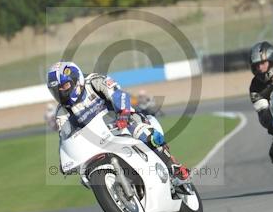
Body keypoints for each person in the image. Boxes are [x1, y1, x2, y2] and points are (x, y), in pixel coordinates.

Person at [46, 61, 189, 182]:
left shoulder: (94, 82)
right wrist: (65, 158)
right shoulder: (62, 112)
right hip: (95, 142)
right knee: (85, 177)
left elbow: (117, 93)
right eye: (56, 90)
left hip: (120, 123)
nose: (61, 92)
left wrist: (123, 113)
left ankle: (173, 165)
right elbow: (64, 136)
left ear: (76, 79)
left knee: (145, 132)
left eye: (64, 86)